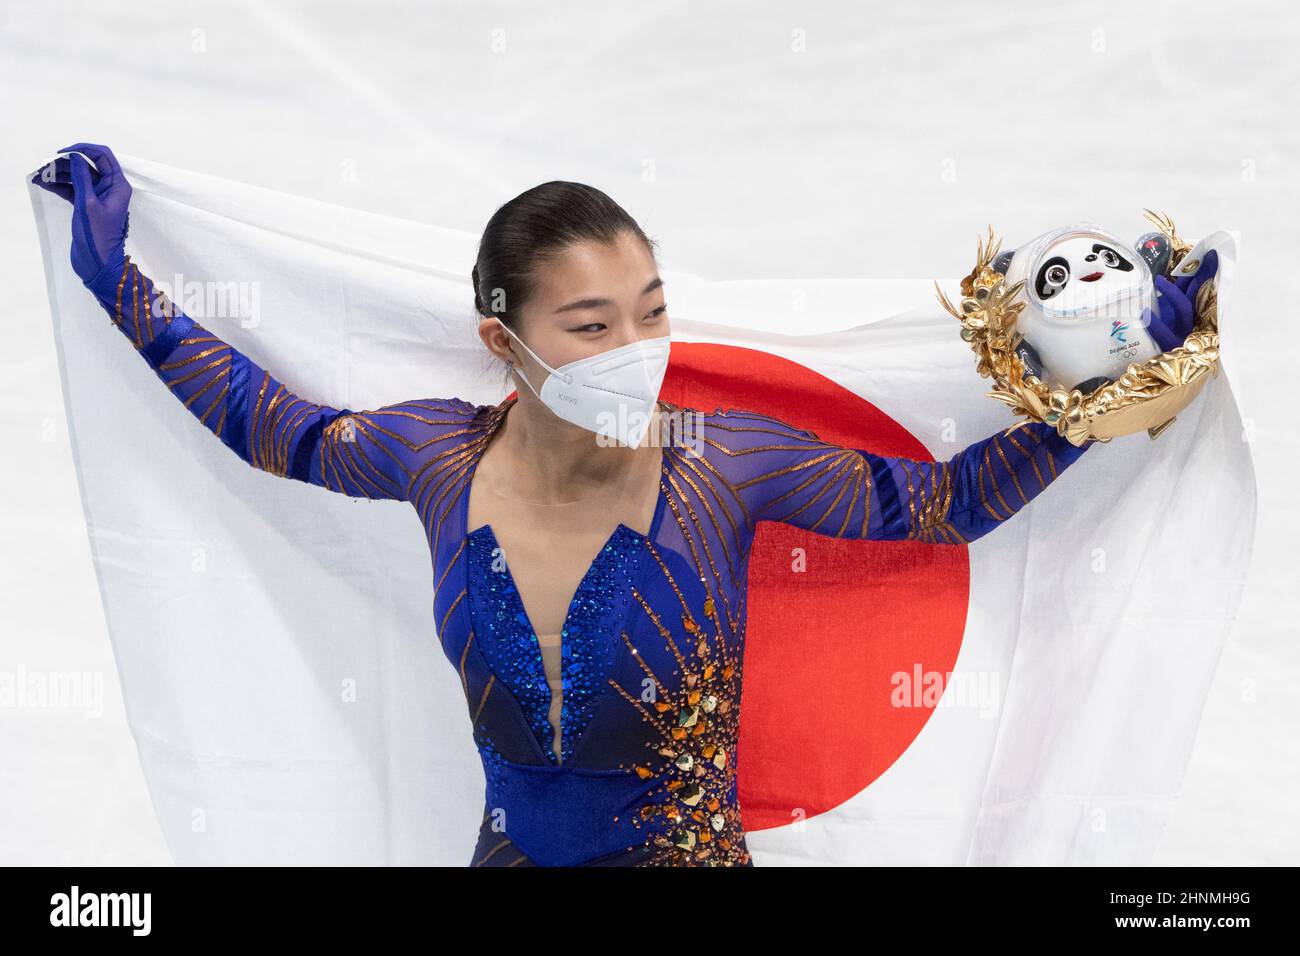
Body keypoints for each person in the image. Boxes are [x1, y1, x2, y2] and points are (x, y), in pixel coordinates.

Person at [36, 143, 1101, 867]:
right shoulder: (437, 456)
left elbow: (943, 502)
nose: (635, 352)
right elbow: (281, 427)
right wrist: (116, 278)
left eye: (651, 312)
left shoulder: (717, 463)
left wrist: (1098, 399)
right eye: (591, 327)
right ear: (502, 341)